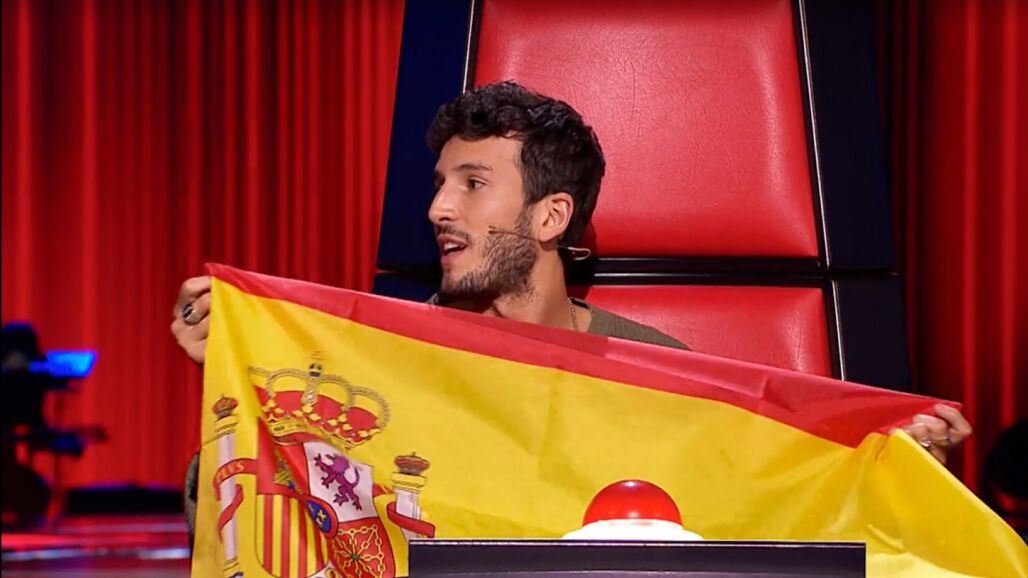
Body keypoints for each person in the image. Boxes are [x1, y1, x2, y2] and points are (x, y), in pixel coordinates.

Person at [172, 82, 971, 537]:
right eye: (441, 185)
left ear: (551, 217)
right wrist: (234, 379)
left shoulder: (654, 375)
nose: (439, 209)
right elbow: (257, 516)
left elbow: (763, 510)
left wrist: (890, 468)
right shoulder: (382, 361)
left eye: (473, 184)